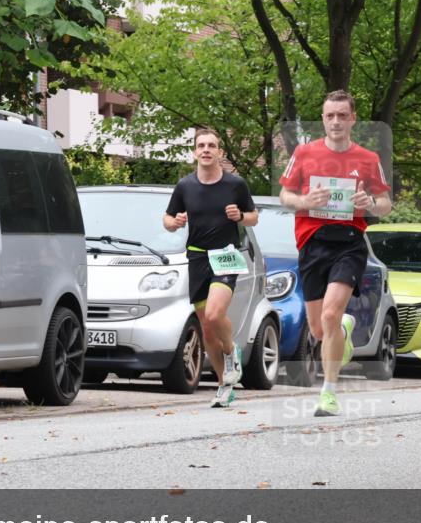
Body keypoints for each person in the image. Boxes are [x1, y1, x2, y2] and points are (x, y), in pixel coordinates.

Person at [279, 90, 392, 416]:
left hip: (349, 242)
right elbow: (286, 194)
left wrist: (369, 203)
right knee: (318, 329)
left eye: (343, 115)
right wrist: (304, 202)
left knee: (329, 315)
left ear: (353, 118)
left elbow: (385, 204)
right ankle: (342, 329)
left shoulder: (368, 159)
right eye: (330, 116)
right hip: (312, 243)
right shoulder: (304, 153)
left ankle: (328, 394)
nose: (336, 122)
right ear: (323, 118)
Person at [164, 128, 257, 407]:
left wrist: (240, 216)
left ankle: (232, 353)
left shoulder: (235, 185)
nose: (206, 149)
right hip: (196, 258)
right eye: (201, 145)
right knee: (206, 330)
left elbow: (253, 218)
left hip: (225, 256)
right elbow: (167, 220)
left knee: (216, 315)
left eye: (211, 145)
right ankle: (223, 385)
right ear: (194, 151)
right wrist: (176, 222)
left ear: (219, 152)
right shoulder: (185, 186)